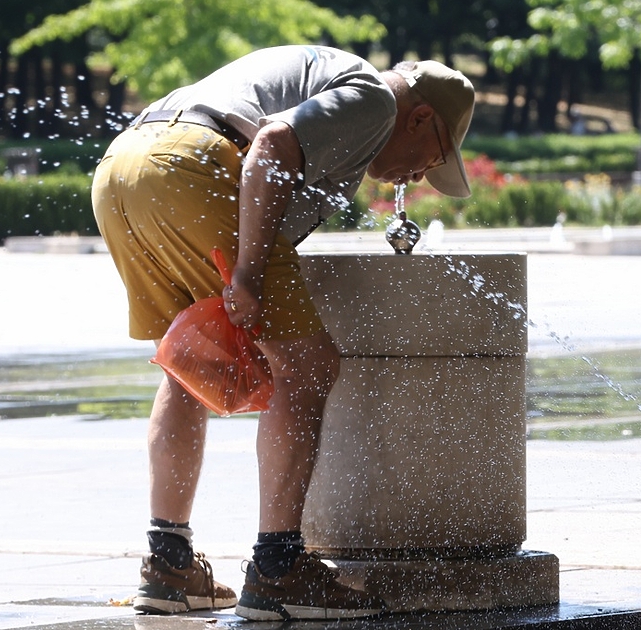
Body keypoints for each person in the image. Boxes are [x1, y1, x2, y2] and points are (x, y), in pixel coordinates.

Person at [90, 45, 474, 621]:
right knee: (309, 365)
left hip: (125, 167)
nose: (420, 176)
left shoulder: (325, 79)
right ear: (419, 118)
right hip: (197, 166)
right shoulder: (373, 99)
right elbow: (270, 145)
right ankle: (278, 569)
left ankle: (168, 567)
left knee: (188, 361)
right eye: (433, 157)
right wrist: (247, 271)